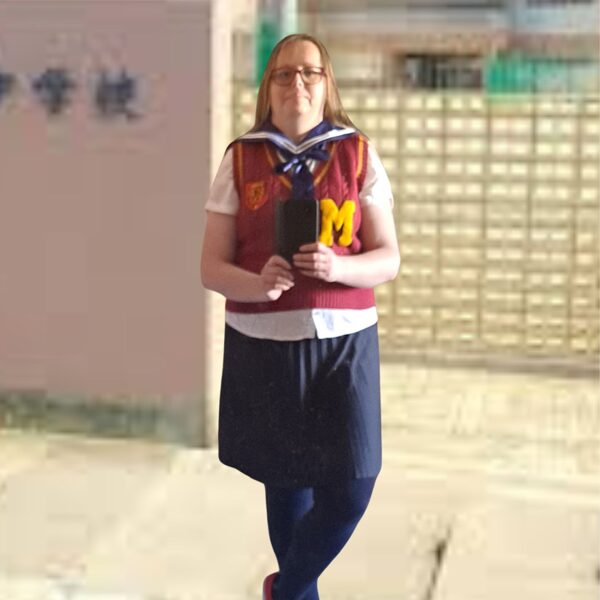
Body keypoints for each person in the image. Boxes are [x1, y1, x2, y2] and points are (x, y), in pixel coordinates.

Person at [201, 33, 399, 600]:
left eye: (310, 72)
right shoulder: (242, 158)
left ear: (327, 84)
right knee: (286, 482)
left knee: (353, 486)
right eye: (284, 73)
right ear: (268, 87)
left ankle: (283, 591)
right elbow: (211, 268)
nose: (298, 82)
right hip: (263, 343)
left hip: (346, 341)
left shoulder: (356, 154)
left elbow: (388, 258)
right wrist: (258, 284)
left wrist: (339, 267)